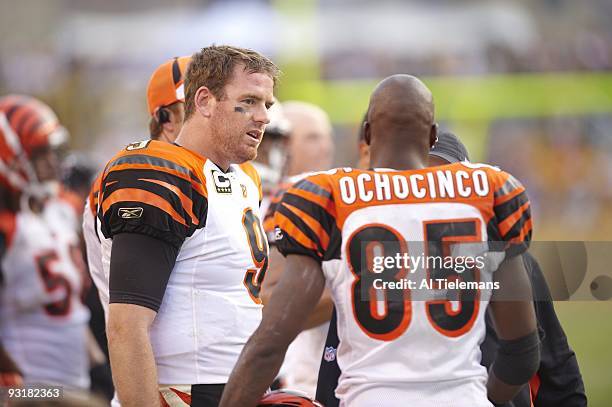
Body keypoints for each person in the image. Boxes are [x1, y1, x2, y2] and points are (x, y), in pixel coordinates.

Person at [219, 75, 540, 407]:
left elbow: (270, 344)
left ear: (368, 134)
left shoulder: (328, 196)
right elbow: (523, 353)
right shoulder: (489, 191)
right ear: (432, 136)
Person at [316, 131, 587, 407]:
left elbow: (554, 368)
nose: (431, 194)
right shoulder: (365, 265)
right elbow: (336, 367)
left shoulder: (512, 261)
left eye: (441, 180)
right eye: (420, 181)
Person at [92, 45, 279, 407]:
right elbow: (126, 327)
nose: (263, 117)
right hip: (182, 390)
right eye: (249, 101)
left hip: (239, 385)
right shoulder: (161, 172)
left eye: (267, 105)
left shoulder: (246, 179)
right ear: (205, 101)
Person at [82, 56, 192, 402]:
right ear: (165, 117)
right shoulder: (150, 173)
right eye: (195, 105)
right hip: (161, 381)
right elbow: (128, 321)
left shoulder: (219, 175)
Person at [0, 95, 95, 390]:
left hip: (74, 381)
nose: (53, 163)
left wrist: (100, 369)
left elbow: (72, 312)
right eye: (41, 153)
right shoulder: (7, 227)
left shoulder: (58, 212)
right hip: (29, 387)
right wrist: (18, 384)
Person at [259, 101, 335, 397]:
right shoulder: (287, 194)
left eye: (326, 136)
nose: (326, 146)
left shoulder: (314, 191)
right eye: (312, 137)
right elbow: (268, 300)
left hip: (308, 373)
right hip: (298, 376)